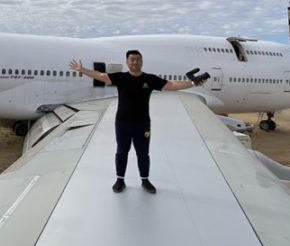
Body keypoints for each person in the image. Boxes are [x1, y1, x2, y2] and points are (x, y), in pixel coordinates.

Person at [69, 51, 207, 194]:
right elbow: (100, 76)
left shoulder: (150, 79)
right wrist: (82, 70)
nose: (135, 62)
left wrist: (192, 83)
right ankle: (120, 180)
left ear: (141, 62)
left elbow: (171, 85)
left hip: (142, 124)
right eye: (132, 59)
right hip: (122, 123)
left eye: (138, 59)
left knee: (143, 153)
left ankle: (145, 180)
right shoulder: (121, 77)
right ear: (127, 62)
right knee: (122, 152)